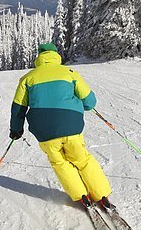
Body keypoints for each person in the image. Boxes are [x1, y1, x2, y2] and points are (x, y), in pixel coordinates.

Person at [9, 43, 112, 209]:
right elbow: (90, 102)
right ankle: (101, 195)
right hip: (71, 126)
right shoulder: (70, 73)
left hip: (45, 131)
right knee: (82, 160)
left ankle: (81, 197)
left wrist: (16, 129)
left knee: (60, 163)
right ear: (56, 55)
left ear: (39, 56)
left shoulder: (28, 78)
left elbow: (18, 108)